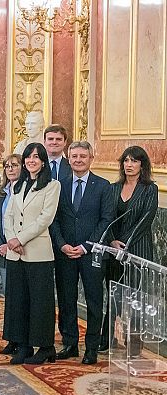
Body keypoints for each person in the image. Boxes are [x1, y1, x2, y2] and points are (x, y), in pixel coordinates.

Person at [50, 141, 114, 365]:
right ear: (69, 158)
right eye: (74, 156)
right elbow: (54, 220)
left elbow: (106, 220)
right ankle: (70, 344)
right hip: (65, 252)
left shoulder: (104, 186)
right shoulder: (60, 185)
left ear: (91, 158)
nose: (78, 160)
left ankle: (91, 348)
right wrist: (62, 245)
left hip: (92, 254)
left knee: (94, 301)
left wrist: (87, 245)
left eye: (82, 156)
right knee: (67, 299)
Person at [2, 142, 61, 365]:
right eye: (28, 157)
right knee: (18, 300)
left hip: (38, 253)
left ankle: (46, 347)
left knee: (40, 302)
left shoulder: (52, 186)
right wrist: (11, 240)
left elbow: (45, 218)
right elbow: (8, 215)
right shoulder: (19, 184)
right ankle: (24, 345)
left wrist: (21, 238)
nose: (31, 160)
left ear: (43, 161)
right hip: (15, 252)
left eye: (36, 157)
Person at [101, 146, 159, 354]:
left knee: (136, 299)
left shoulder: (149, 189)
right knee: (113, 295)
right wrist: (113, 241)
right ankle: (107, 338)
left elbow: (146, 220)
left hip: (137, 251)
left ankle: (134, 344)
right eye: (126, 161)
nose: (129, 165)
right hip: (114, 250)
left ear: (142, 165)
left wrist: (125, 243)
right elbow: (106, 217)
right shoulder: (113, 188)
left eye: (134, 161)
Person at [0, 154, 22, 355]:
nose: (10, 169)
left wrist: (14, 243)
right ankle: (11, 338)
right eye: (7, 166)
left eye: (14, 165)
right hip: (3, 251)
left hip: (21, 249)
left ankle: (22, 338)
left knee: (20, 298)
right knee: (8, 298)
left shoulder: (28, 190)